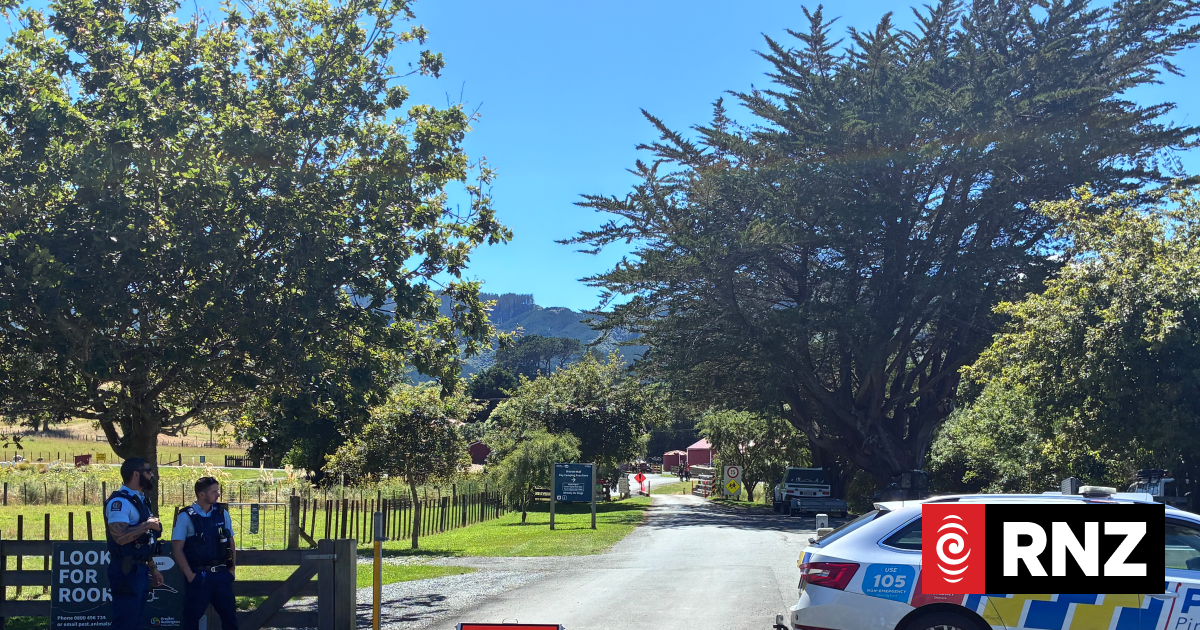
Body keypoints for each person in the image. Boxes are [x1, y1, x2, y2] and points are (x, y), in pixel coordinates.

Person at [104, 458, 164, 630]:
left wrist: (152, 568)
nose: (152, 475)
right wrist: (148, 524)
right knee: (125, 622)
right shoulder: (120, 502)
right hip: (126, 570)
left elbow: (144, 539)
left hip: (141, 568)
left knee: (136, 622)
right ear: (136, 474)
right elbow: (119, 537)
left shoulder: (140, 499)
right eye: (149, 471)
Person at [172, 477, 238, 630]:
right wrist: (190, 575)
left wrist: (232, 570)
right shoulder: (185, 516)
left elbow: (231, 542)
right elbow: (177, 548)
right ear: (201, 494)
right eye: (214, 491)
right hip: (198, 576)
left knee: (230, 620)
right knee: (191, 621)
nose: (218, 495)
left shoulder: (222, 514)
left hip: (222, 575)